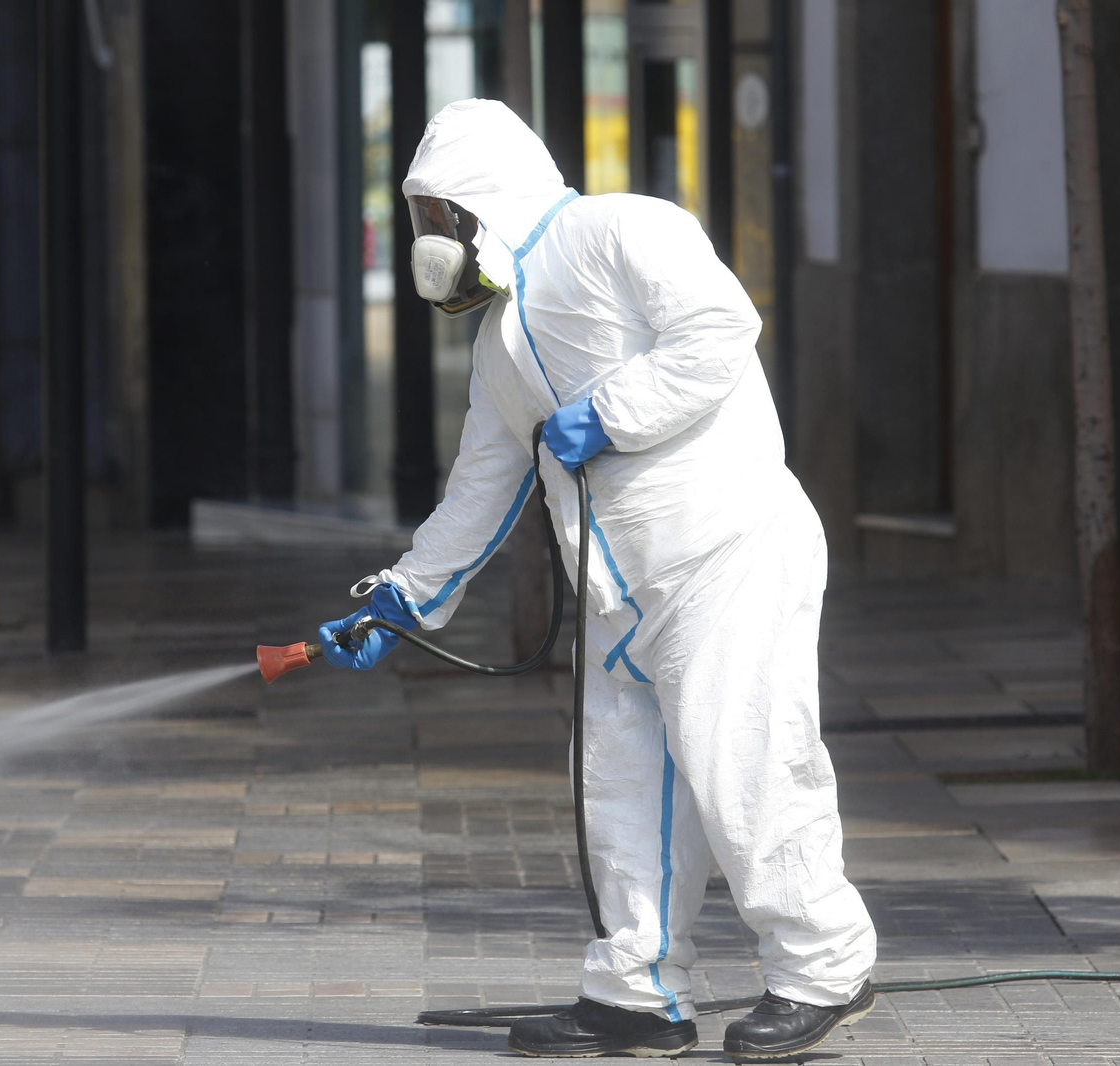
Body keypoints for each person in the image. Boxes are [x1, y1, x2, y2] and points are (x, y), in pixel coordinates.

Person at [319, 99, 877, 1061]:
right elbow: (482, 489)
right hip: (621, 590)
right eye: (418, 219)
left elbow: (718, 329)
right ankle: (636, 989)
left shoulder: (622, 227)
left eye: (434, 215)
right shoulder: (498, 346)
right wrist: (405, 595)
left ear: (480, 200)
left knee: (743, 763)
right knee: (620, 789)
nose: (428, 239)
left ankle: (824, 966)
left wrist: (607, 413)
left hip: (727, 552)